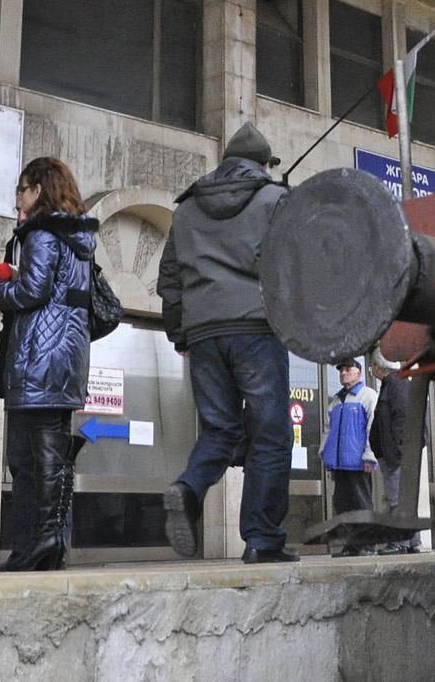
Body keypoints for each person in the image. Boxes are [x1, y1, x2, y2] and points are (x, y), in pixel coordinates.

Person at [155, 122, 297, 565]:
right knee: (271, 434)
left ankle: (189, 487)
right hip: (255, 327)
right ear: (262, 164)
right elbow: (293, 264)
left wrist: (181, 333)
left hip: (204, 332)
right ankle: (262, 540)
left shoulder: (185, 211)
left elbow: (170, 279)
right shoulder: (275, 199)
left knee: (221, 429)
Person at [0, 156, 96, 572]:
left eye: (21, 188)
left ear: (37, 190)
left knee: (32, 458)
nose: (17, 197)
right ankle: (40, 545)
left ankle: (42, 541)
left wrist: (1, 286)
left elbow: (32, 290)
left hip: (38, 355)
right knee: (46, 452)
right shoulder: (78, 239)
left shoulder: (44, 233)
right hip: (66, 357)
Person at [323, 357, 377, 552]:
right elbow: (327, 431)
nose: (343, 373)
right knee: (343, 505)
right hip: (339, 464)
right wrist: (326, 455)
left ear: (359, 373)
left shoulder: (368, 395)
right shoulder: (335, 401)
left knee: (361, 503)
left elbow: (373, 428)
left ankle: (366, 545)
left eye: (348, 369)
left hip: (358, 462)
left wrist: (370, 456)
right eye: (341, 370)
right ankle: (350, 545)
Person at [369, 352, 417, 554]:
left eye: (372, 366)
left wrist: (398, 450)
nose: (371, 370)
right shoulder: (397, 383)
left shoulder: (395, 384)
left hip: (395, 454)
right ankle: (412, 542)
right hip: (394, 452)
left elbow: (403, 418)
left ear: (379, 368)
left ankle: (400, 542)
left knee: (397, 498)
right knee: (401, 497)